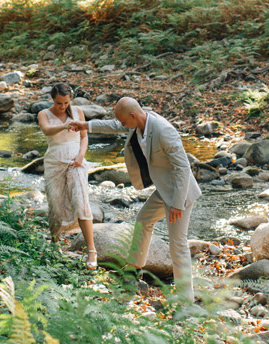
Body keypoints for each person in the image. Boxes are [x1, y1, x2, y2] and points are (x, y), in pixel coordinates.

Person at [70, 97, 201, 301]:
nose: (122, 125)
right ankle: (133, 270)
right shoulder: (136, 123)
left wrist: (177, 203)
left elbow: (183, 168)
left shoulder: (164, 130)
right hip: (163, 190)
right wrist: (85, 125)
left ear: (132, 115)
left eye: (124, 121)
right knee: (143, 220)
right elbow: (113, 125)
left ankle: (186, 300)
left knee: (178, 244)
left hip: (179, 193)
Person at [37, 83, 97, 269]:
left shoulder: (78, 111)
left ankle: (92, 251)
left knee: (81, 201)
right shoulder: (44, 114)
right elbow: (47, 130)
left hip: (76, 161)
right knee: (55, 205)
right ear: (52, 99)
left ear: (70, 98)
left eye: (65, 103)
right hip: (54, 163)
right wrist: (63, 126)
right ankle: (54, 246)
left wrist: (81, 156)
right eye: (58, 103)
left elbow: (84, 137)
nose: (62, 107)